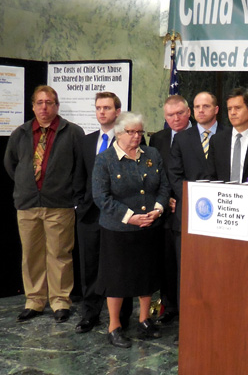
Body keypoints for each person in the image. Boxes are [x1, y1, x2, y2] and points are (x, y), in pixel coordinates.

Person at [4, 85, 84, 323]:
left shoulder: (73, 132)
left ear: (56, 106)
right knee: (31, 255)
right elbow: (11, 165)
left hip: (59, 205)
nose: (44, 107)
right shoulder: (21, 133)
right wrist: (26, 186)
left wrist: (69, 193)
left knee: (59, 254)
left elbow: (80, 168)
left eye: (49, 102)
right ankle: (35, 301)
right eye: (39, 102)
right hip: (28, 204)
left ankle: (60, 301)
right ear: (33, 106)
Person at [92, 112, 170, 348]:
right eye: (131, 132)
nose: (137, 136)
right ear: (118, 133)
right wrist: (130, 218)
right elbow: (101, 197)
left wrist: (157, 210)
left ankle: (144, 319)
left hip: (149, 226)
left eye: (139, 132)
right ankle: (114, 326)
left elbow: (164, 186)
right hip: (118, 230)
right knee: (116, 279)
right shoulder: (105, 160)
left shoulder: (152, 155)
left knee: (146, 275)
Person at [73, 92, 133, 333]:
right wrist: (79, 205)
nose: (101, 112)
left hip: (119, 215)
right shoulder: (87, 141)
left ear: (117, 111)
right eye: (98, 107)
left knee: (120, 265)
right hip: (89, 215)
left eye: (107, 108)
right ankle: (90, 312)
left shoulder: (130, 139)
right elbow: (79, 176)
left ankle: (121, 316)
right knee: (89, 266)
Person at [163, 91, 219, 326]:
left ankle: (215, 319)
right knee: (186, 272)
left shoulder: (228, 136)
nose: (201, 111)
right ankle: (187, 324)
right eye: (197, 107)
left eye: (206, 106)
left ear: (216, 109)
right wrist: (194, 198)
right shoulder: (183, 139)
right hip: (188, 215)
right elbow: (174, 175)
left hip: (220, 219)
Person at [149, 94, 191, 323]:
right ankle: (169, 305)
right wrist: (165, 200)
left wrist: (181, 199)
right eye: (170, 115)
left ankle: (187, 308)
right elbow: (156, 174)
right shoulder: (158, 139)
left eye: (180, 113)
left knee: (187, 264)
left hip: (191, 210)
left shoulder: (202, 136)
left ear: (188, 113)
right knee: (167, 262)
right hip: (165, 212)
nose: (175, 118)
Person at [209, 87, 248, 182]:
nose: (232, 113)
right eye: (229, 109)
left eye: (237, 108)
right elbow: (211, 175)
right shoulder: (217, 140)